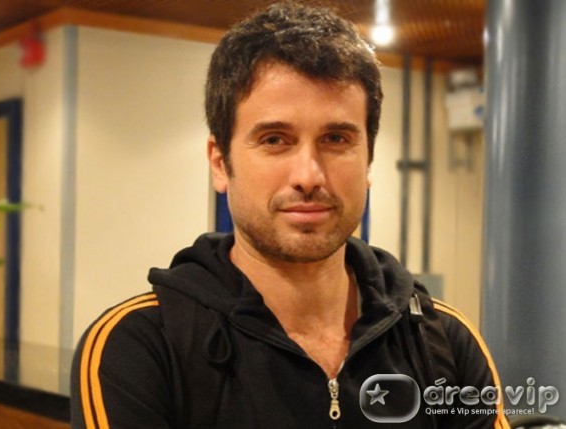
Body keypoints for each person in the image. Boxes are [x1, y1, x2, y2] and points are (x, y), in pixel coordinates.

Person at [71, 2, 510, 428]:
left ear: (368, 161)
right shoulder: (138, 345)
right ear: (220, 164)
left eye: (336, 139)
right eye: (275, 140)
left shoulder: (441, 339)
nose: (308, 176)